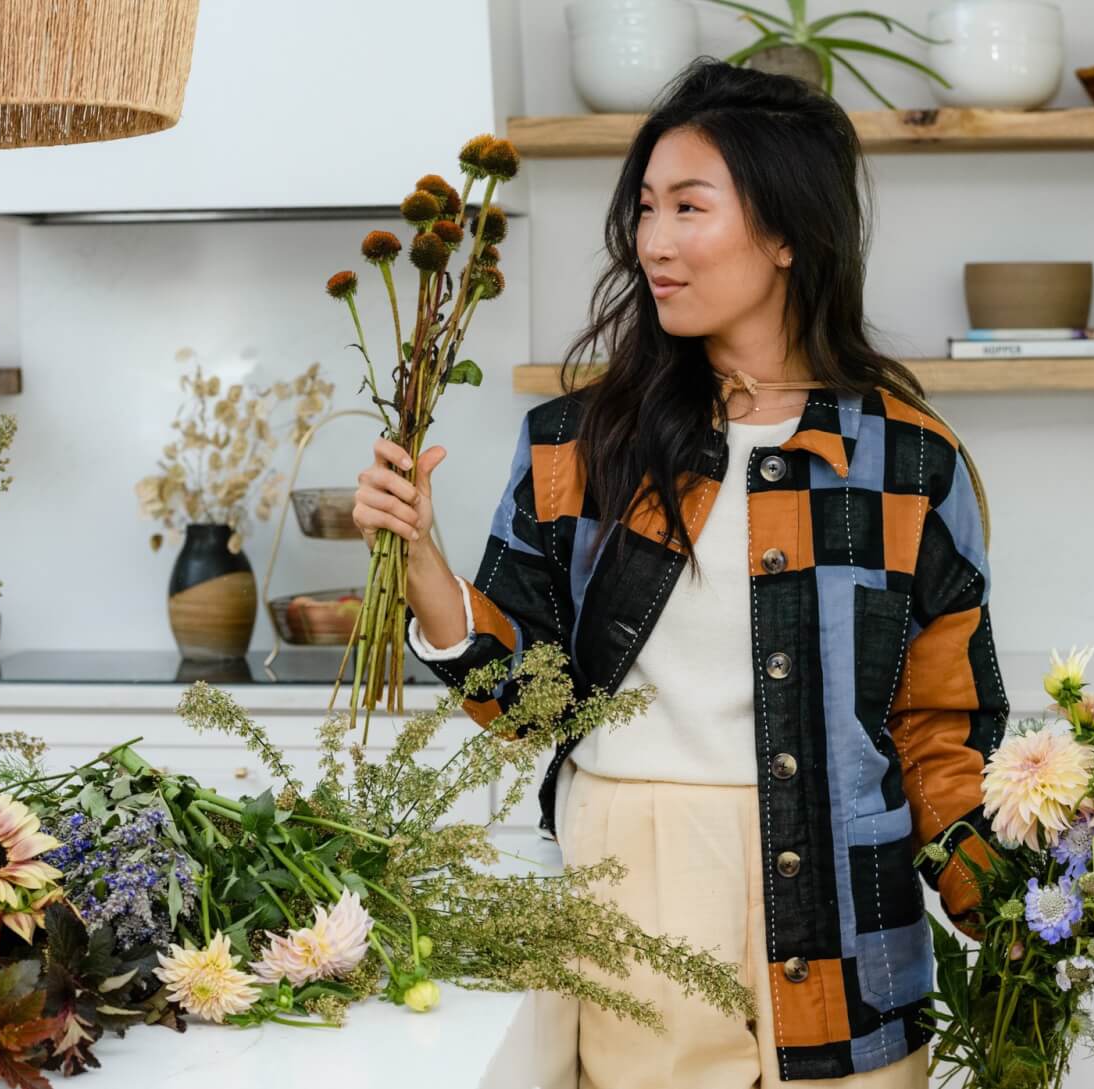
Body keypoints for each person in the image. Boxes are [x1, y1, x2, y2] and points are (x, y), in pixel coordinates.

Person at [353, 57, 1008, 1089]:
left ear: (788, 232)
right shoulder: (581, 443)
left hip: (849, 889)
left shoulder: (910, 460)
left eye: (689, 207)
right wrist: (421, 555)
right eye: (645, 208)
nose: (653, 241)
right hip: (640, 880)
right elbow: (528, 701)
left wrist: (1017, 912)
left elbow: (940, 724)